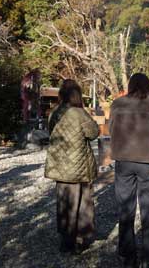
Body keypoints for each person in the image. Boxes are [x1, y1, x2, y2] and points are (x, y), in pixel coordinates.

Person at [109, 73, 149, 268]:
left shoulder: (117, 104)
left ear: (131, 85)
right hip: (147, 161)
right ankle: (148, 258)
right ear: (148, 86)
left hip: (124, 161)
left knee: (125, 209)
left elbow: (111, 130)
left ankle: (127, 256)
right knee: (148, 209)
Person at [44, 79, 99, 254]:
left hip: (60, 166)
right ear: (77, 95)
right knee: (82, 203)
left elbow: (50, 131)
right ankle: (79, 240)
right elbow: (93, 133)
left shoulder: (55, 113)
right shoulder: (79, 113)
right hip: (79, 166)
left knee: (64, 203)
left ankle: (65, 241)